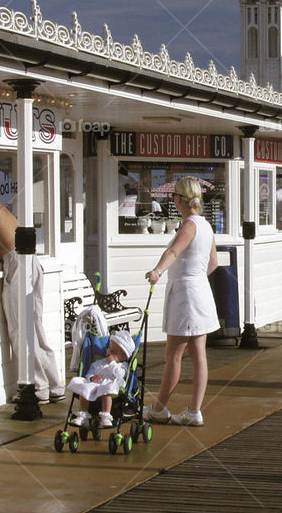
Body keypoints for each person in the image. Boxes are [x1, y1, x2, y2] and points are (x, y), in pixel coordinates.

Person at [0, 176, 64, 403]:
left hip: (18, 265)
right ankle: (54, 385)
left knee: (21, 329)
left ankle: (37, 388)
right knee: (36, 327)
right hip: (32, 262)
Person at [144, 177, 219, 427]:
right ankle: (193, 411)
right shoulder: (206, 226)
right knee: (199, 356)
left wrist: (158, 271)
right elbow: (213, 263)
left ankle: (158, 409)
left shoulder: (189, 224)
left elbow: (173, 252)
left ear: (179, 199)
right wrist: (194, 278)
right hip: (201, 294)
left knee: (173, 356)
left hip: (186, 297)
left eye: (173, 196)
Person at [66, 329, 134, 429]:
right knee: (84, 388)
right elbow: (91, 370)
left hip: (111, 384)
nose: (109, 352)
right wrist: (91, 377)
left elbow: (120, 375)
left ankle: (106, 416)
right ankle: (82, 415)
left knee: (106, 391)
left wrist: (112, 363)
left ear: (123, 356)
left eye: (113, 351)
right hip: (96, 384)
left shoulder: (122, 366)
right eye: (109, 348)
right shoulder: (100, 362)